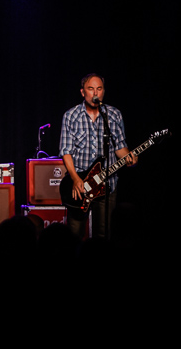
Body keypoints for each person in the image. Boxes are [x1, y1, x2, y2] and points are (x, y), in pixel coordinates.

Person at [59, 73, 136, 240]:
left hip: (107, 184)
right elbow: (66, 151)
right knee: (74, 235)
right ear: (82, 92)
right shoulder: (71, 116)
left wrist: (130, 157)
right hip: (80, 184)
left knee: (104, 236)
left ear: (103, 92)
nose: (95, 93)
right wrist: (75, 179)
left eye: (99, 88)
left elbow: (120, 148)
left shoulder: (114, 115)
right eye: (91, 88)